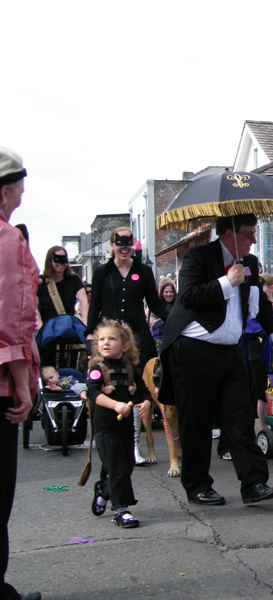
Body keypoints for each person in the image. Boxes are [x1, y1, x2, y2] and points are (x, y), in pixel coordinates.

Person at [159, 214, 273, 506]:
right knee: (196, 423)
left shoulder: (250, 262)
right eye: (248, 234)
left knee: (240, 418)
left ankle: (254, 483)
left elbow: (259, 305)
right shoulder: (198, 257)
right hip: (194, 349)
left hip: (230, 351)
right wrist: (226, 282)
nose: (254, 240)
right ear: (228, 234)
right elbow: (188, 298)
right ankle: (197, 485)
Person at [0, 145, 42, 600]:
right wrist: (19, 382)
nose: (23, 195)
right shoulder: (8, 239)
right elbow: (9, 317)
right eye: (20, 187)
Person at [87, 320, 152, 529]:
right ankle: (121, 510)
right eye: (102, 339)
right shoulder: (97, 369)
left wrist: (147, 404)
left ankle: (103, 491)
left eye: (112, 339)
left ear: (124, 345)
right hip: (106, 428)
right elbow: (93, 393)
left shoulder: (131, 369)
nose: (105, 343)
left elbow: (144, 392)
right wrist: (115, 405)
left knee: (126, 467)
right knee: (117, 467)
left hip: (126, 428)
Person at [86, 227, 168, 370]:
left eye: (128, 244)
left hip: (138, 336)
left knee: (143, 377)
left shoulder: (144, 271)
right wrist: (89, 333)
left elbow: (154, 304)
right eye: (120, 244)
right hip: (109, 336)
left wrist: (175, 319)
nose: (124, 248)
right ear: (112, 245)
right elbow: (95, 306)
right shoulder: (102, 272)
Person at [37, 246, 88, 328]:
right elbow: (34, 307)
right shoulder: (41, 281)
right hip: (48, 331)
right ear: (50, 261)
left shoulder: (74, 279)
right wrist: (41, 329)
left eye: (63, 259)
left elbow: (83, 302)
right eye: (57, 259)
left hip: (68, 329)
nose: (61, 264)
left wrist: (85, 325)